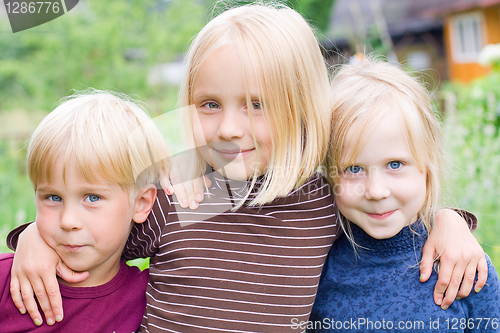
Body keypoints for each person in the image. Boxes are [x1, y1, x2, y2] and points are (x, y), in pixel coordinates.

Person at [7, 4, 487, 332]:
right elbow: (88, 228)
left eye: (257, 105)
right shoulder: (181, 196)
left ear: (300, 107)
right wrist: (32, 240)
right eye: (210, 104)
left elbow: (385, 206)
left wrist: (450, 222)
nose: (230, 129)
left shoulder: (320, 198)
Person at [307, 56, 500, 332]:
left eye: (395, 165)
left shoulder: (462, 263)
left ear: (427, 166)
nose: (376, 191)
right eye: (353, 168)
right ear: (327, 173)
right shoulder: (315, 265)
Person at [1, 90, 171, 331]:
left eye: (92, 197)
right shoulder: (6, 279)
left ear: (142, 203)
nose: (68, 221)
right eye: (53, 197)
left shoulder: (152, 297)